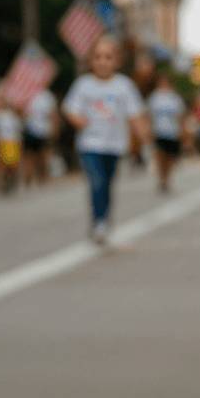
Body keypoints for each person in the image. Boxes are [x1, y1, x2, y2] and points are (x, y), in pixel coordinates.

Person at [62, 36, 148, 244]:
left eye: (108, 57)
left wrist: (143, 136)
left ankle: (103, 217)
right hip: (90, 144)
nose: (102, 61)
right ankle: (99, 221)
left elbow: (135, 114)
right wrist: (78, 120)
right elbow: (69, 107)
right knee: (97, 181)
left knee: (107, 183)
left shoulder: (124, 86)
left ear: (117, 61)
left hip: (114, 145)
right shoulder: (83, 85)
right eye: (98, 57)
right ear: (91, 61)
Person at [147, 71, 187, 194]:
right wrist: (149, 130)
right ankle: (162, 179)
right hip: (159, 131)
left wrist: (182, 130)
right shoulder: (154, 97)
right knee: (160, 156)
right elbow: (149, 115)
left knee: (170, 158)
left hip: (172, 132)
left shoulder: (174, 98)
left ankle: (167, 177)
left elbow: (180, 115)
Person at [21, 86, 59, 187]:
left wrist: (54, 129)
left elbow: (53, 114)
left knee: (43, 156)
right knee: (29, 155)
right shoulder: (26, 93)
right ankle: (28, 177)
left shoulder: (47, 96)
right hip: (29, 130)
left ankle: (43, 176)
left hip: (44, 131)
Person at [0, 89, 24, 195]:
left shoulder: (13, 116)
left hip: (13, 142)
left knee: (13, 165)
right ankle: (1, 184)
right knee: (2, 165)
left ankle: (12, 182)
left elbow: (18, 131)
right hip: (3, 142)